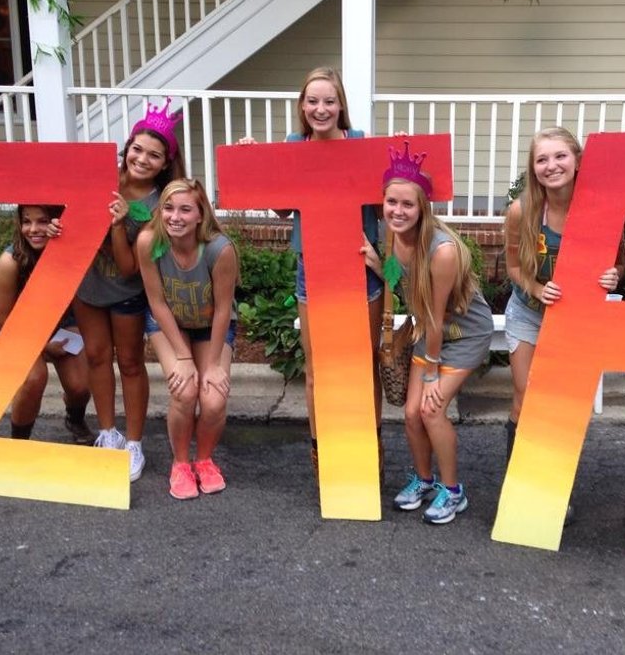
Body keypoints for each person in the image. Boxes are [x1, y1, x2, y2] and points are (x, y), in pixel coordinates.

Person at [239, 67, 385, 480]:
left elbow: (384, 208)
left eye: (329, 101)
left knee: (363, 366)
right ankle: (323, 454)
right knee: (318, 370)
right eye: (313, 101)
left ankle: (370, 450)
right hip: (313, 267)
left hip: (360, 267)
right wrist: (258, 163)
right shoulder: (294, 145)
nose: (321, 109)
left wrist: (395, 164)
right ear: (302, 106)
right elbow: (283, 209)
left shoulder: (360, 143)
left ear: (341, 106)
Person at [363, 142, 493, 524]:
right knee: (410, 414)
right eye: (391, 202)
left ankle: (453, 492)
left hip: (463, 333)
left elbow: (436, 317)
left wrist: (432, 372)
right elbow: (398, 279)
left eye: (408, 204)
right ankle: (424, 480)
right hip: (431, 332)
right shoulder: (392, 236)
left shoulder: (442, 251)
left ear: (422, 208)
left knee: (431, 410)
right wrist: (377, 265)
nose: (398, 211)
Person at [74, 98, 185, 481]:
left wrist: (119, 224)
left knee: (131, 363)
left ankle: (134, 442)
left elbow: (127, 268)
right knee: (96, 357)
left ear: (165, 163)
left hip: (127, 291)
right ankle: (108, 433)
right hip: (88, 285)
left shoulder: (160, 205)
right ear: (127, 148)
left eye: (154, 155)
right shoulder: (100, 180)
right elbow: (68, 217)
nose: (142, 159)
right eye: (137, 149)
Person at [502, 127, 622, 460]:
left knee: (562, 404)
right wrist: (537, 288)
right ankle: (519, 478)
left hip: (575, 319)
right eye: (542, 159)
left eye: (560, 156)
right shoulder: (522, 211)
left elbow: (618, 264)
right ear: (533, 167)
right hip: (528, 313)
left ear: (577, 161)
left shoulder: (601, 210)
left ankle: (553, 478)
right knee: (525, 398)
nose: (551, 166)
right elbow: (513, 267)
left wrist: (614, 275)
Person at [137, 179, 239, 500]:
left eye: (185, 209)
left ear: (200, 215)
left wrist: (213, 364)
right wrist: (183, 356)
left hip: (211, 325)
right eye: (168, 208)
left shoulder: (219, 249)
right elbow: (157, 303)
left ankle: (204, 460)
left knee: (214, 398)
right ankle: (180, 463)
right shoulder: (149, 242)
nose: (175, 217)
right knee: (184, 390)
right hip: (170, 322)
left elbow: (223, 309)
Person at [0, 205, 92, 444]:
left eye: (43, 221)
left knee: (80, 386)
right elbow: (2, 320)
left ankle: (75, 419)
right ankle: (19, 441)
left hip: (61, 322)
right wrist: (44, 346)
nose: (33, 229)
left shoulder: (71, 253)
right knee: (34, 378)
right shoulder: (10, 261)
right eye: (27, 221)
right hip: (17, 329)